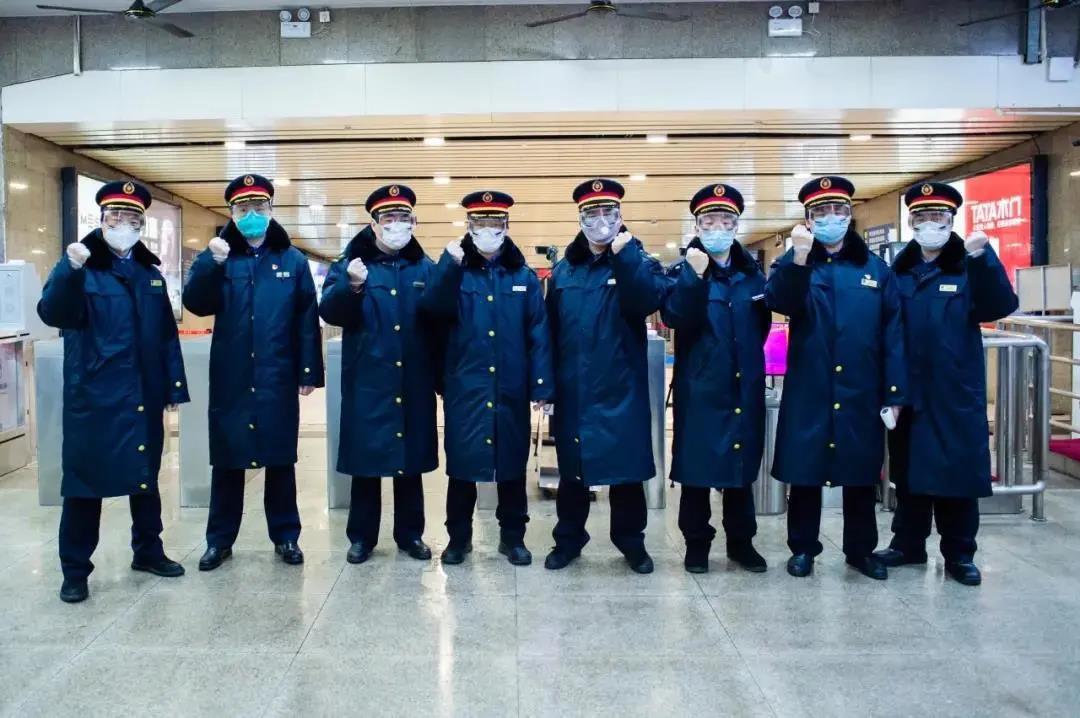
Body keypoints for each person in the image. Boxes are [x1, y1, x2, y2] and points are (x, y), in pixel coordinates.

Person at [38, 180, 189, 603]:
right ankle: (75, 570)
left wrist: (173, 386)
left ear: (141, 224)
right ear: (101, 220)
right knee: (84, 485)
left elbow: (166, 336)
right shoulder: (81, 268)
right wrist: (68, 270)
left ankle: (148, 550)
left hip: (143, 393)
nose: (123, 223)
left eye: (132, 217)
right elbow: (53, 312)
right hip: (94, 397)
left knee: (145, 477)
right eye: (115, 216)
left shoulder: (150, 275)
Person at [873, 183, 1018, 586]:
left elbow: (999, 306)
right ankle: (908, 544)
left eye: (938, 216)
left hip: (954, 391)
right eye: (922, 217)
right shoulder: (898, 272)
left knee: (958, 476)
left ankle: (959, 554)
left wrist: (983, 258)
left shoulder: (967, 265)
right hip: (910, 392)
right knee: (909, 474)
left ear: (951, 220)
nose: (930, 224)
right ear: (911, 222)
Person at [765, 176, 907, 580]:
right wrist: (797, 257)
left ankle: (860, 550)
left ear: (849, 214)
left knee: (860, 473)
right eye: (821, 211)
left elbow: (894, 333)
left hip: (860, 388)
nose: (831, 217)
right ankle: (803, 548)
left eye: (838, 210)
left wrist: (895, 392)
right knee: (805, 472)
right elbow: (779, 300)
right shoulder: (795, 263)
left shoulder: (875, 269)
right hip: (809, 387)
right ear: (809, 220)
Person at [183, 174, 323, 570]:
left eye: (259, 207)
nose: (251, 214)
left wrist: (308, 370)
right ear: (231, 213)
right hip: (231, 375)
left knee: (280, 459)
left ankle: (286, 536)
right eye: (242, 208)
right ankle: (219, 540)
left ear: (271, 209)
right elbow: (196, 302)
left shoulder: (292, 260)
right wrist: (210, 263)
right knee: (228, 460)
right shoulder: (221, 256)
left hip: (276, 374)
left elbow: (306, 318)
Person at [419, 191, 553, 566]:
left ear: (506, 226)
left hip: (511, 386)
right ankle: (458, 539)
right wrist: (448, 265)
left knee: (511, 465)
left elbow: (538, 331)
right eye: (480, 223)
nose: (488, 230)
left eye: (495, 222)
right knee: (463, 467)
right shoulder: (455, 272)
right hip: (466, 387)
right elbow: (431, 312)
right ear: (469, 227)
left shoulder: (523, 277)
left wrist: (541, 385)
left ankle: (513, 538)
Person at [543, 179, 667, 574]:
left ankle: (632, 543)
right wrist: (546, 385)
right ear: (580, 219)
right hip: (575, 388)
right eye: (592, 213)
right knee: (573, 472)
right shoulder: (564, 271)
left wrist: (624, 256)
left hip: (621, 388)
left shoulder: (638, 261)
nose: (600, 220)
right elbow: (549, 331)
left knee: (626, 473)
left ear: (620, 215)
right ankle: (568, 540)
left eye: (608, 212)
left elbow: (646, 301)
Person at [319, 184, 438, 564]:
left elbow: (439, 321)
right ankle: (362, 538)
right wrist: (351, 286)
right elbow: (330, 311)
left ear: (414, 222)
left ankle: (410, 535)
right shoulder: (350, 264)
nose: (396, 224)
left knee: (410, 464)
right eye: (388, 218)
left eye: (404, 217)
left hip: (412, 380)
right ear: (373, 224)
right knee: (366, 466)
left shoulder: (425, 267)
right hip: (368, 380)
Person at [662, 183, 771, 574]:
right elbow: (675, 317)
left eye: (726, 220)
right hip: (701, 390)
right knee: (696, 472)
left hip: (742, 386)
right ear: (697, 225)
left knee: (740, 473)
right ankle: (696, 545)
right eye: (709, 220)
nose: (717, 227)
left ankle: (742, 543)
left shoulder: (752, 276)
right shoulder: (681, 273)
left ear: (736, 225)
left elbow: (759, 327)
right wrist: (694, 276)